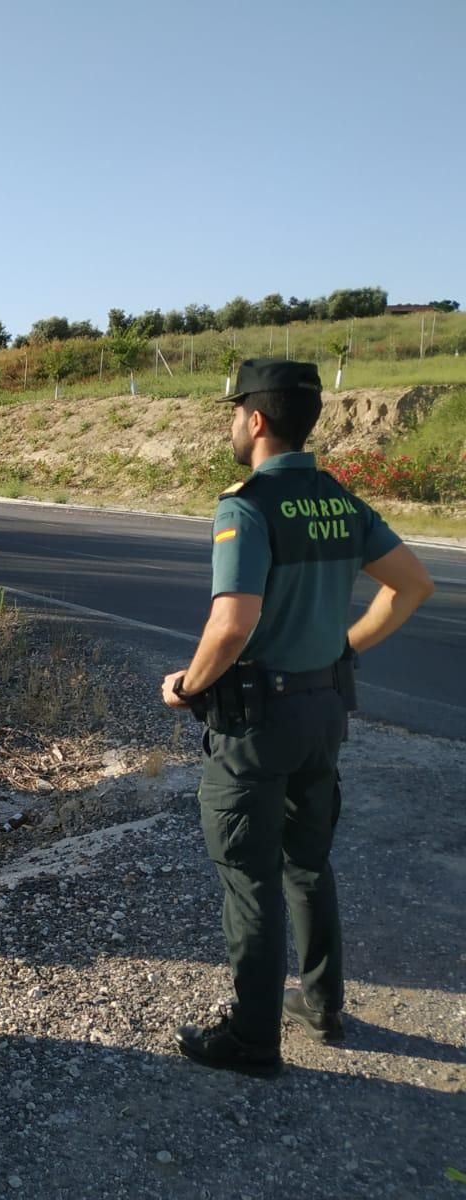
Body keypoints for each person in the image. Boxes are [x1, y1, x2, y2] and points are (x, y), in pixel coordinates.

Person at [160, 357, 435, 1076]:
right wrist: (344, 645)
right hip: (324, 710)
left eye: (233, 412)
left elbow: (232, 624)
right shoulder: (338, 500)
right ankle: (323, 1003)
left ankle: (252, 1040)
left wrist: (190, 684)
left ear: (255, 420)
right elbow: (412, 585)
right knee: (308, 863)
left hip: (256, 724)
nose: (231, 423)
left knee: (249, 878)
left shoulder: (246, 505)